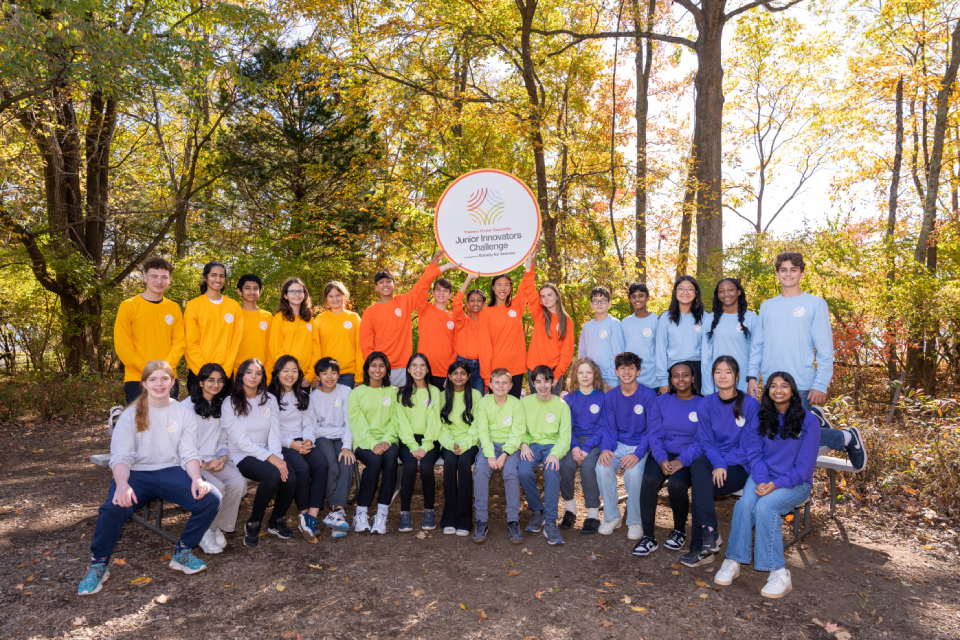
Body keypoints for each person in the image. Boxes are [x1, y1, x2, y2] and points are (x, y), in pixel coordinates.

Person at [78, 361, 221, 596]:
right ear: (144, 384)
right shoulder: (131, 415)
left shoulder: (182, 413)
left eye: (164, 378)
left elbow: (188, 453)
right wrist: (122, 485)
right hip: (136, 474)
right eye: (153, 379)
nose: (159, 384)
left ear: (173, 382)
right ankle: (98, 564)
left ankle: (183, 552)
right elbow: (121, 456)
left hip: (171, 471)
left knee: (210, 497)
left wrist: (197, 479)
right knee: (112, 508)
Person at [747, 251, 866, 470]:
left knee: (793, 436)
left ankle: (847, 438)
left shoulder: (815, 304)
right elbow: (757, 346)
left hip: (801, 382)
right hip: (772, 384)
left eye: (793, 269)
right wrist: (752, 376)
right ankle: (818, 423)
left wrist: (820, 384)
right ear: (777, 273)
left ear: (801, 272)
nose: (788, 274)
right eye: (783, 269)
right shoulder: (767, 306)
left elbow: (825, 351)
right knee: (778, 435)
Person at [713, 371, 820, 599]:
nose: (778, 390)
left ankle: (779, 572)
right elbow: (754, 453)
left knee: (765, 507)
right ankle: (734, 560)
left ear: (792, 390)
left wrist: (774, 484)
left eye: (784, 386)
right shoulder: (761, 417)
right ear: (767, 390)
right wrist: (762, 480)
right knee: (744, 505)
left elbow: (803, 469)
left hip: (795, 482)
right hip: (762, 476)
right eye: (773, 386)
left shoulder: (809, 421)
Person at [681, 356, 757, 568]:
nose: (722, 376)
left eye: (728, 372)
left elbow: (749, 446)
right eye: (718, 372)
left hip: (740, 466)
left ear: (737, 376)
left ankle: (700, 548)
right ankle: (710, 534)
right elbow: (705, 439)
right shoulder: (706, 403)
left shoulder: (750, 405)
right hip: (715, 462)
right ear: (712, 375)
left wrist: (723, 463)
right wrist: (718, 463)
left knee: (700, 486)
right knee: (698, 467)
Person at [221, 358, 297, 549]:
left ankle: (276, 521)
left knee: (290, 477)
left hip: (267, 451)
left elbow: (275, 432)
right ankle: (253, 523)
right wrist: (271, 459)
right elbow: (240, 441)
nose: (253, 377)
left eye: (258, 373)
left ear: (263, 377)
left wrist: (277, 457)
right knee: (272, 474)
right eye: (249, 372)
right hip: (240, 455)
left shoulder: (269, 399)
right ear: (241, 375)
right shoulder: (230, 402)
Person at [635, 362, 704, 557]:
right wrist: (662, 459)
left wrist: (682, 461)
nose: (680, 379)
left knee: (676, 484)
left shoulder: (702, 403)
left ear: (692, 378)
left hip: (688, 456)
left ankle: (679, 530)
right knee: (648, 480)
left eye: (685, 375)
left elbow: (702, 441)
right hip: (662, 453)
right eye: (675, 375)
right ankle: (648, 536)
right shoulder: (661, 401)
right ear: (670, 379)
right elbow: (654, 434)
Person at [360, 252, 456, 387]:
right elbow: (365, 343)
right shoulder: (370, 311)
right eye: (381, 282)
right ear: (376, 287)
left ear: (394, 284)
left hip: (403, 367)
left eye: (388, 281)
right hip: (380, 367)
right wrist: (373, 366)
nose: (385, 284)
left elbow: (422, 284)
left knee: (403, 404)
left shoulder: (403, 302)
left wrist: (436, 263)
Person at [181, 363, 246, 554]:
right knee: (217, 488)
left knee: (237, 483)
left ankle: (213, 528)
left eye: (219, 381)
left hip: (213, 460)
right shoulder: (186, 408)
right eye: (210, 380)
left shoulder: (221, 405)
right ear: (200, 382)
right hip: (190, 462)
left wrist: (222, 456)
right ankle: (205, 531)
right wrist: (203, 464)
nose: (215, 385)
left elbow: (222, 439)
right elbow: (179, 445)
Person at [596, 352, 658, 539]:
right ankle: (612, 517)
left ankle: (635, 521)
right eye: (622, 368)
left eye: (631, 368)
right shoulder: (611, 396)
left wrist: (638, 453)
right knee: (601, 467)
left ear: (638, 371)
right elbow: (609, 428)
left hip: (641, 446)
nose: (627, 372)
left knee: (632, 473)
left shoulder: (648, 395)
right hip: (618, 444)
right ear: (616, 371)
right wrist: (606, 448)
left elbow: (652, 430)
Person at [268, 355, 329, 543]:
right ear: (277, 372)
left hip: (302, 441)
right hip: (281, 443)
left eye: (294, 371)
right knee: (301, 469)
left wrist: (308, 440)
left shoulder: (303, 395)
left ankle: (312, 516)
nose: (290, 374)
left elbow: (308, 423)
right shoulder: (269, 397)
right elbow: (271, 430)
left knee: (321, 464)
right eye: (286, 370)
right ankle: (303, 516)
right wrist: (292, 444)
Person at [114, 257, 186, 404]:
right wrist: (149, 371)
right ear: (145, 277)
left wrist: (163, 371)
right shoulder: (129, 306)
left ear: (170, 279)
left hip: (168, 379)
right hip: (138, 378)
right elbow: (123, 345)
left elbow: (179, 343)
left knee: (169, 425)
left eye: (164, 277)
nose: (159, 281)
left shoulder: (174, 308)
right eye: (154, 276)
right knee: (142, 425)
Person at [472, 368, 527, 544]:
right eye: (497, 382)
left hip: (510, 447)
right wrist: (489, 455)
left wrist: (504, 454)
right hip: (489, 446)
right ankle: (481, 520)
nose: (501, 386)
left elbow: (517, 432)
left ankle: (513, 520)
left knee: (511, 472)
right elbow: (482, 431)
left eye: (505, 382)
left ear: (511, 385)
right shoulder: (483, 403)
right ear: (490, 384)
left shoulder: (516, 404)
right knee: (480, 470)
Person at [518, 365, 571, 545]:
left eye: (546, 381)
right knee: (523, 470)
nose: (542, 385)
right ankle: (537, 511)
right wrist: (523, 445)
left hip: (553, 446)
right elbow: (519, 429)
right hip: (531, 445)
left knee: (551, 470)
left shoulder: (561, 406)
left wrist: (555, 454)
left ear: (553, 382)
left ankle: (550, 522)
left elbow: (565, 437)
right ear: (532, 384)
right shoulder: (525, 403)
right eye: (538, 381)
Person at [349, 351, 400, 534]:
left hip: (389, 439)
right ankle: (361, 512)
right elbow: (358, 424)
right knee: (375, 461)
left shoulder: (393, 392)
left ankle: (382, 513)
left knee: (391, 457)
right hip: (364, 442)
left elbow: (396, 419)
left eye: (381, 366)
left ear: (386, 369)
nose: (377, 370)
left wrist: (386, 441)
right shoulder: (356, 393)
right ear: (367, 369)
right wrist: (373, 444)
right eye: (373, 365)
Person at [394, 353, 443, 532]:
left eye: (422, 366)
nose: (418, 369)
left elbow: (435, 421)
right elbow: (401, 423)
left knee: (426, 468)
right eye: (414, 366)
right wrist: (414, 447)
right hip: (408, 440)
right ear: (408, 369)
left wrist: (425, 446)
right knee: (409, 467)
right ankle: (404, 513)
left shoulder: (435, 392)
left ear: (427, 369)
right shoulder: (401, 393)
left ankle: (429, 511)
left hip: (430, 439)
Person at [479, 251, 537, 397]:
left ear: (510, 288)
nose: (503, 288)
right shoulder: (486, 312)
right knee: (497, 411)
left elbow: (526, 286)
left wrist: (530, 264)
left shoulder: (516, 306)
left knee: (513, 408)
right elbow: (484, 346)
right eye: (499, 285)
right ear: (493, 287)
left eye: (506, 285)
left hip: (517, 368)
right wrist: (487, 376)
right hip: (496, 371)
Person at [308, 357, 355, 537]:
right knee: (331, 465)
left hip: (342, 436)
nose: (329, 377)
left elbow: (349, 421)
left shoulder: (346, 391)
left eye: (333, 373)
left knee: (346, 461)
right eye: (324, 373)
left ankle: (338, 511)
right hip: (322, 437)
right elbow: (312, 426)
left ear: (338, 375)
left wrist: (347, 446)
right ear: (318, 376)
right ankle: (337, 511)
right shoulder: (312, 397)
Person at [558, 358, 605, 534]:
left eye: (588, 372)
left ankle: (593, 514)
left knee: (587, 468)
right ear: (575, 376)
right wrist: (575, 446)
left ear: (595, 375)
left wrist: (586, 448)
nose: (585, 376)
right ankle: (570, 510)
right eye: (580, 372)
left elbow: (602, 427)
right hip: (572, 441)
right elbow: (566, 426)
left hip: (594, 442)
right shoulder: (569, 398)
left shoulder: (602, 397)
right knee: (565, 467)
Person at [521, 241, 575, 395]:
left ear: (557, 296)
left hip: (553, 371)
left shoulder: (566, 320)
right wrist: (530, 264)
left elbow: (567, 351)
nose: (546, 299)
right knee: (536, 407)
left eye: (549, 295)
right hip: (534, 368)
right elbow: (529, 287)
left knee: (551, 409)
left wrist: (558, 374)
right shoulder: (539, 314)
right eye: (543, 296)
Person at [184, 261, 245, 395]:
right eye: (213, 275)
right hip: (199, 374)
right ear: (205, 277)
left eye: (222, 276)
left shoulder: (234, 306)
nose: (218, 279)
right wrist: (205, 373)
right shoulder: (194, 305)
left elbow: (236, 342)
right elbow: (190, 342)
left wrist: (224, 372)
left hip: (226, 375)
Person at [438, 361, 482, 535]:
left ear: (469, 376)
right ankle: (449, 517)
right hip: (448, 441)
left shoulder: (476, 395)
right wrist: (451, 444)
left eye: (462, 373)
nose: (458, 376)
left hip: (469, 442)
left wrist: (463, 444)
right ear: (449, 376)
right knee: (449, 463)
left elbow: (477, 425)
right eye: (454, 373)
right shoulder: (442, 396)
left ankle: (464, 519)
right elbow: (439, 426)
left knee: (463, 464)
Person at [700, 278, 758, 395]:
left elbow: (756, 352)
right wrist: (707, 388)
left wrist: (752, 378)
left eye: (730, 290)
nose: (726, 294)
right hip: (718, 384)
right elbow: (706, 355)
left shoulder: (752, 318)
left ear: (739, 292)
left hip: (744, 383)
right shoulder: (710, 319)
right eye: (721, 291)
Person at [656, 276, 705, 395]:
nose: (685, 292)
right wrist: (663, 380)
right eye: (681, 289)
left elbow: (709, 350)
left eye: (690, 289)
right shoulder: (666, 318)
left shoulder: (705, 317)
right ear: (675, 292)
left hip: (698, 370)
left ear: (696, 293)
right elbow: (660, 349)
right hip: (673, 368)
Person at [267, 278, 318, 387]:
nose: (296, 294)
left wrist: (310, 375)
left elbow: (316, 350)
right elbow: (275, 349)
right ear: (285, 295)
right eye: (292, 292)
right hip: (285, 377)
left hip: (304, 378)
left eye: (300, 291)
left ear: (304, 294)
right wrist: (287, 372)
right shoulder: (279, 318)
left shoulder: (309, 319)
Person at [315, 281, 364, 388]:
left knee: (347, 405)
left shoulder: (353, 318)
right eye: (331, 296)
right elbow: (314, 348)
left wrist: (359, 376)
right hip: (325, 373)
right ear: (326, 299)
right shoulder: (319, 319)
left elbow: (361, 347)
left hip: (349, 374)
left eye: (338, 295)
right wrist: (314, 375)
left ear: (344, 296)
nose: (335, 299)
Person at [577, 286, 626, 390]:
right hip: (591, 380)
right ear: (591, 304)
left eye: (603, 300)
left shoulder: (614, 324)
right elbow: (582, 354)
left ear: (609, 303)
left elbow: (618, 354)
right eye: (595, 301)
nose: (599, 304)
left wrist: (613, 380)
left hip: (609, 380)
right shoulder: (587, 327)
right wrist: (583, 375)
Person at [418, 276, 458, 389]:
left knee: (444, 406)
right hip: (423, 371)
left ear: (450, 295)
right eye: (438, 289)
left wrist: (451, 371)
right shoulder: (424, 309)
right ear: (433, 292)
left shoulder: (454, 317)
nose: (441, 293)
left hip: (444, 373)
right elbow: (422, 285)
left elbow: (456, 347)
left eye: (445, 290)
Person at [621, 282, 659, 391]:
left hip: (652, 378)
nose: (637, 299)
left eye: (641, 295)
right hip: (630, 378)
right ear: (630, 299)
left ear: (648, 297)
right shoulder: (625, 322)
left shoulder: (657, 320)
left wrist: (663, 379)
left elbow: (661, 350)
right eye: (633, 296)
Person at [452, 276, 486, 394]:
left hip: (481, 365)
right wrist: (468, 279)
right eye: (472, 300)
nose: (475, 303)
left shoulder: (487, 323)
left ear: (483, 304)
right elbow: (456, 302)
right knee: (460, 397)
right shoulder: (462, 320)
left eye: (479, 300)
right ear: (467, 304)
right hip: (462, 363)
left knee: (478, 399)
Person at [234, 274, 273, 376]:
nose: (252, 292)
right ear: (239, 291)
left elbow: (271, 347)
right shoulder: (234, 315)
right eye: (247, 288)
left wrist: (267, 373)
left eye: (255, 288)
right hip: (237, 372)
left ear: (260, 292)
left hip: (261, 372)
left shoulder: (267, 316)